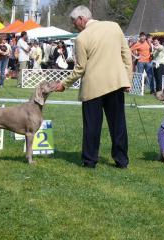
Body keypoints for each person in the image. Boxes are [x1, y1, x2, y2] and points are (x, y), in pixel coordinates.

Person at [55, 5, 133, 169]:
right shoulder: (115, 27)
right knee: (118, 125)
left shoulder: (82, 38)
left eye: (74, 22)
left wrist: (63, 84)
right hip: (116, 84)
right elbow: (127, 56)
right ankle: (122, 160)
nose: (74, 25)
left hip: (93, 88)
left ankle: (90, 161)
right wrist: (128, 80)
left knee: (92, 126)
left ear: (81, 19)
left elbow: (80, 68)